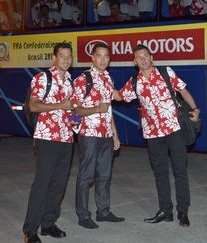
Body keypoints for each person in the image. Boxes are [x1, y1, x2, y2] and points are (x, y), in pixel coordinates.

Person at [114, 44, 199, 227]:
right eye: (139, 57)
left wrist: (195, 108)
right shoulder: (135, 82)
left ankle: (183, 211)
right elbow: (120, 96)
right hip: (152, 134)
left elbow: (183, 90)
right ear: (134, 61)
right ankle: (165, 210)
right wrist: (101, 87)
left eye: (146, 56)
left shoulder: (165, 72)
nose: (143, 59)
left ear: (151, 57)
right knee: (160, 172)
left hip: (174, 129)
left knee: (180, 170)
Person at [23, 42, 75, 243]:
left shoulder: (70, 81)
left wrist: (74, 118)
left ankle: (48, 224)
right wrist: (61, 105)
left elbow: (70, 110)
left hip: (66, 138)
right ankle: (30, 230)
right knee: (42, 184)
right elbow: (34, 106)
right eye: (62, 56)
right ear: (54, 58)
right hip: (46, 138)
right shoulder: (43, 78)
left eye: (69, 56)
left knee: (58, 184)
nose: (66, 60)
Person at [72, 43, 124, 229]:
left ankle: (103, 212)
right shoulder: (83, 79)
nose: (103, 60)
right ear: (92, 57)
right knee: (86, 176)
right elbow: (74, 112)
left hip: (106, 135)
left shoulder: (108, 79)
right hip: (89, 134)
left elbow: (108, 110)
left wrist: (115, 134)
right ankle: (83, 215)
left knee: (104, 175)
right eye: (99, 56)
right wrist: (95, 109)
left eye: (106, 56)